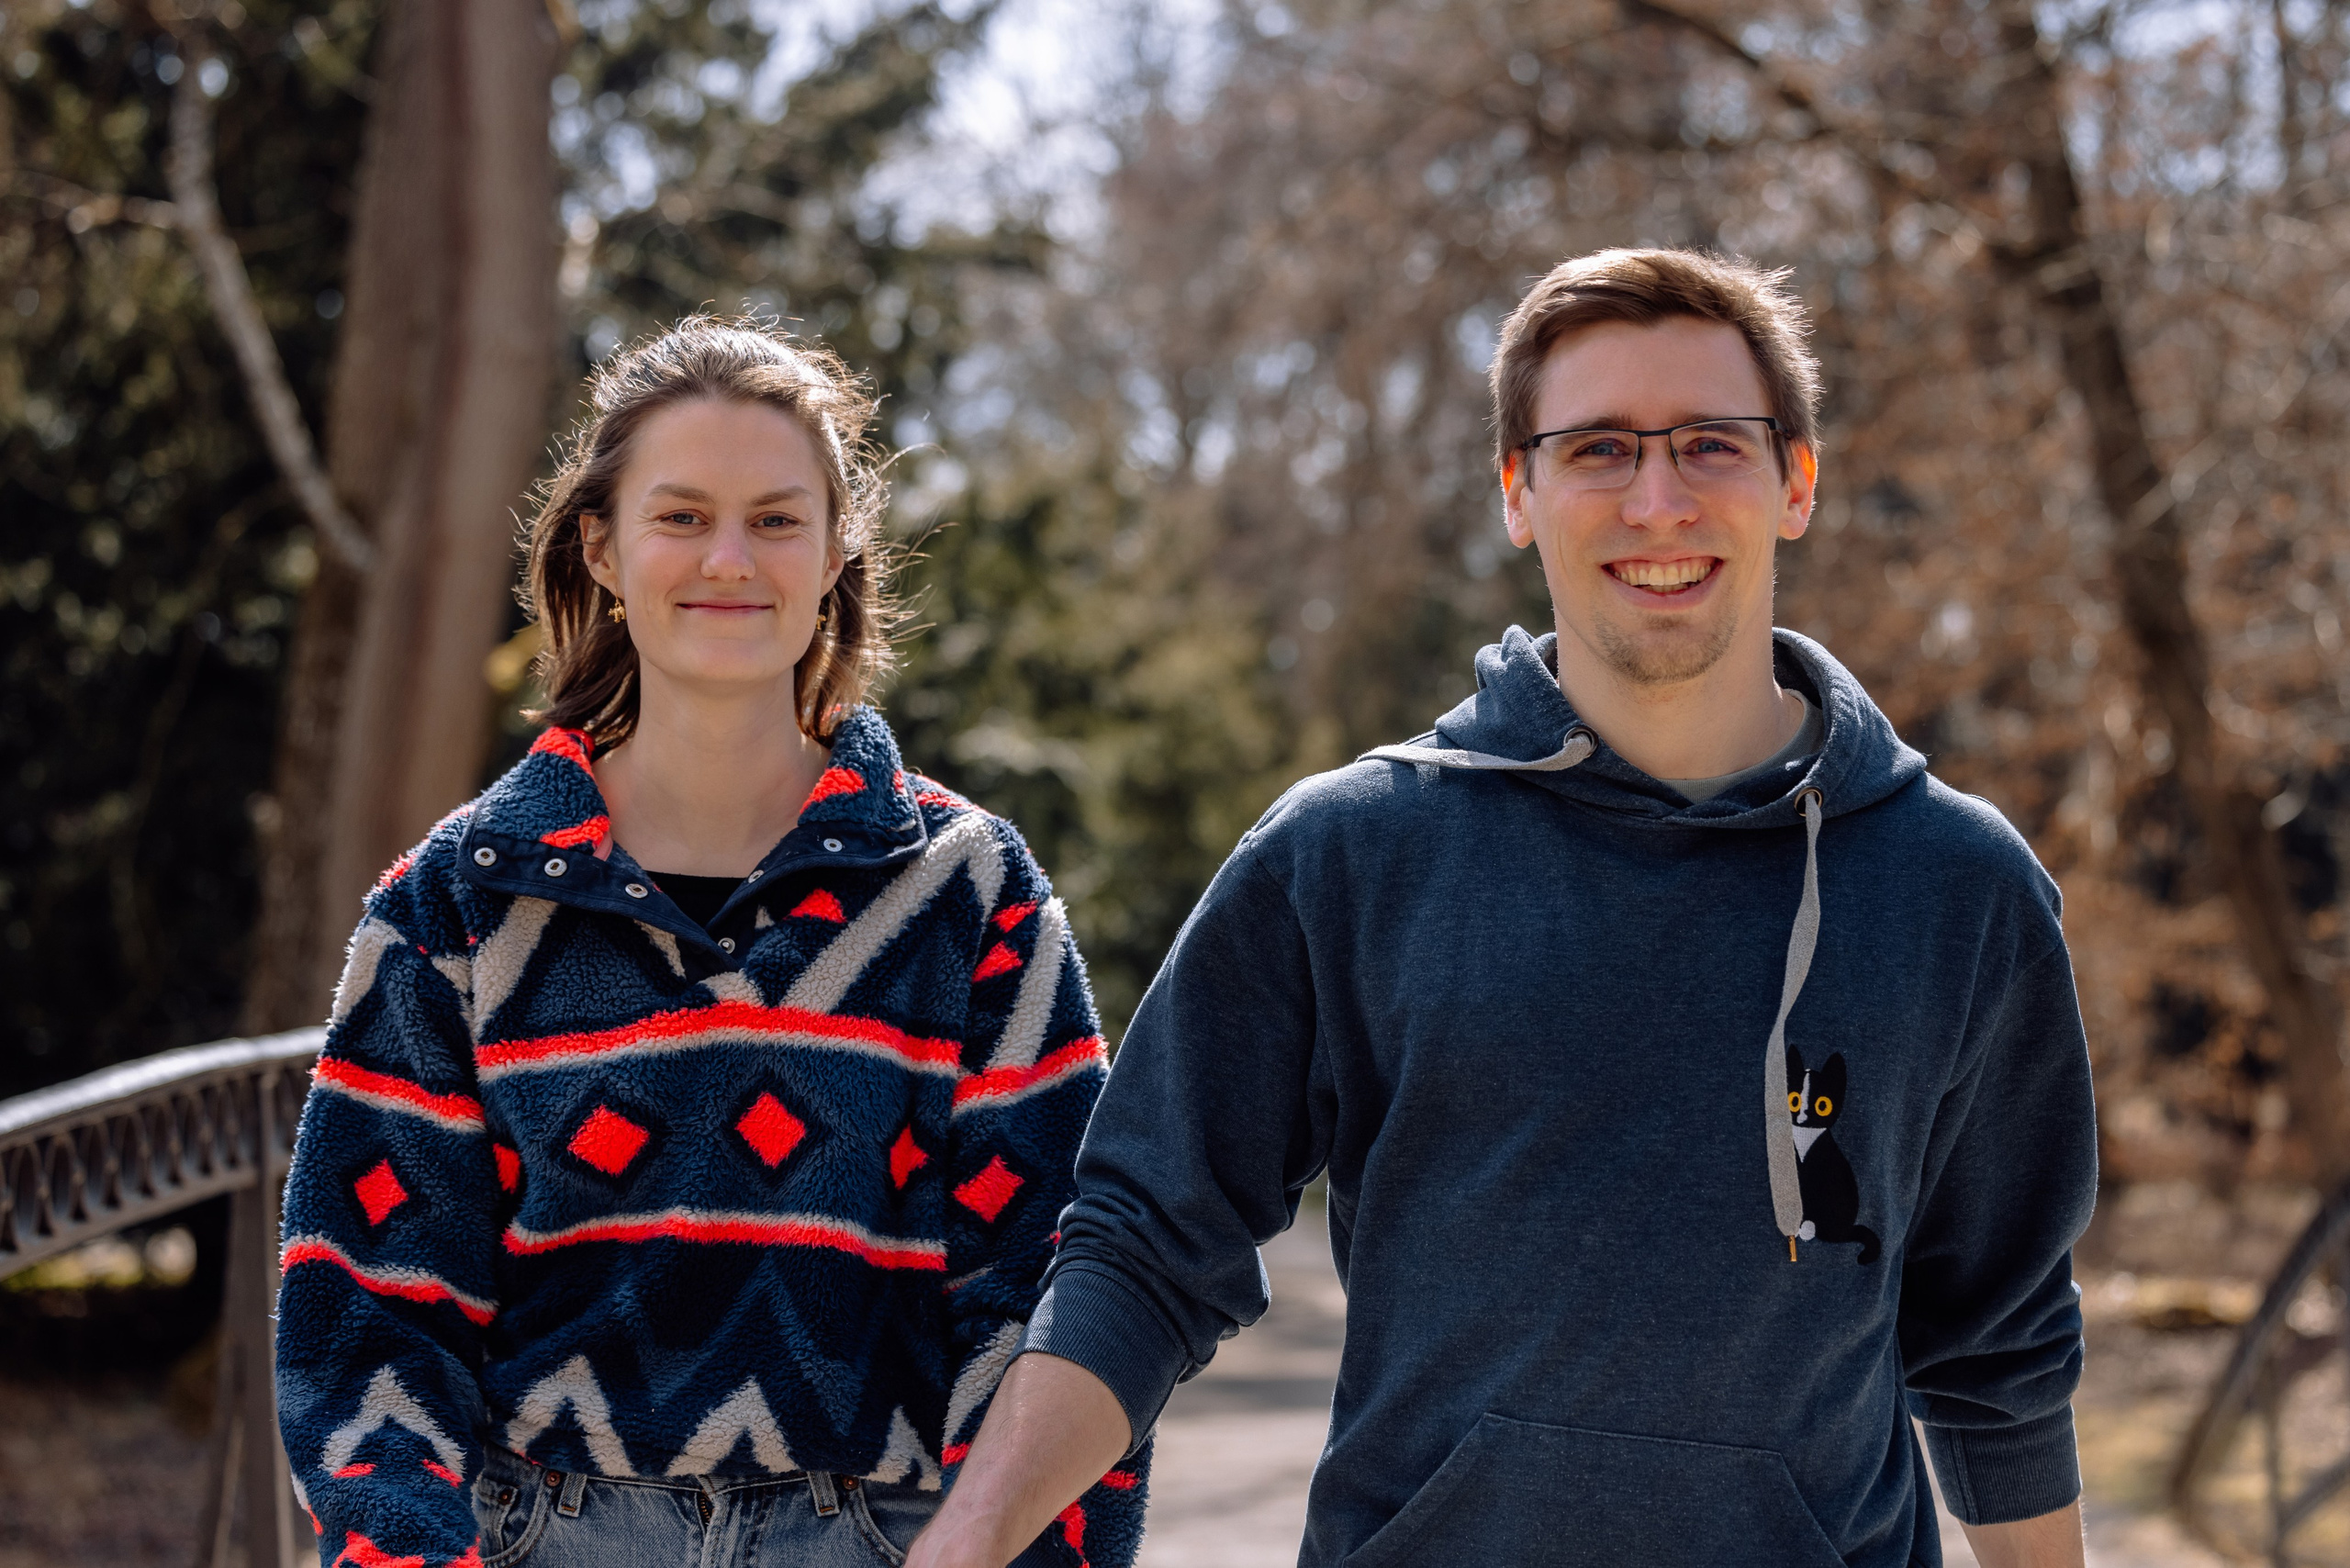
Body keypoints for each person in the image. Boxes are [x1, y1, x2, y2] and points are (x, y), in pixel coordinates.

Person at [907, 251, 2097, 1568]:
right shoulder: (1351, 854)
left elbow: (1998, 1340)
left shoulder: (1958, 887)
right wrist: (966, 1547)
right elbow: (1144, 1249)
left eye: (1710, 443)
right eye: (1597, 450)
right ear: (1518, 493)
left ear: (1795, 482)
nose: (1657, 501)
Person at [274, 318, 1146, 1568]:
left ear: (838, 549)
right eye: (681, 516)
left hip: (888, 1540)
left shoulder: (970, 891)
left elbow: (1051, 1288)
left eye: (777, 519)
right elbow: (366, 1311)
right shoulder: (457, 905)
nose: (729, 559)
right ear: (604, 548)